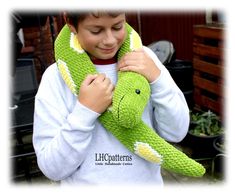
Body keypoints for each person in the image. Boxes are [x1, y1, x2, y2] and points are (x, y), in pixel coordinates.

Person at [33, 11, 190, 185]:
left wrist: (158, 79)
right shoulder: (55, 78)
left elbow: (176, 132)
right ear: (71, 24)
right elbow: (52, 168)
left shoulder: (145, 60)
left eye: (117, 26)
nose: (109, 40)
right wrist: (85, 111)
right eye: (96, 31)